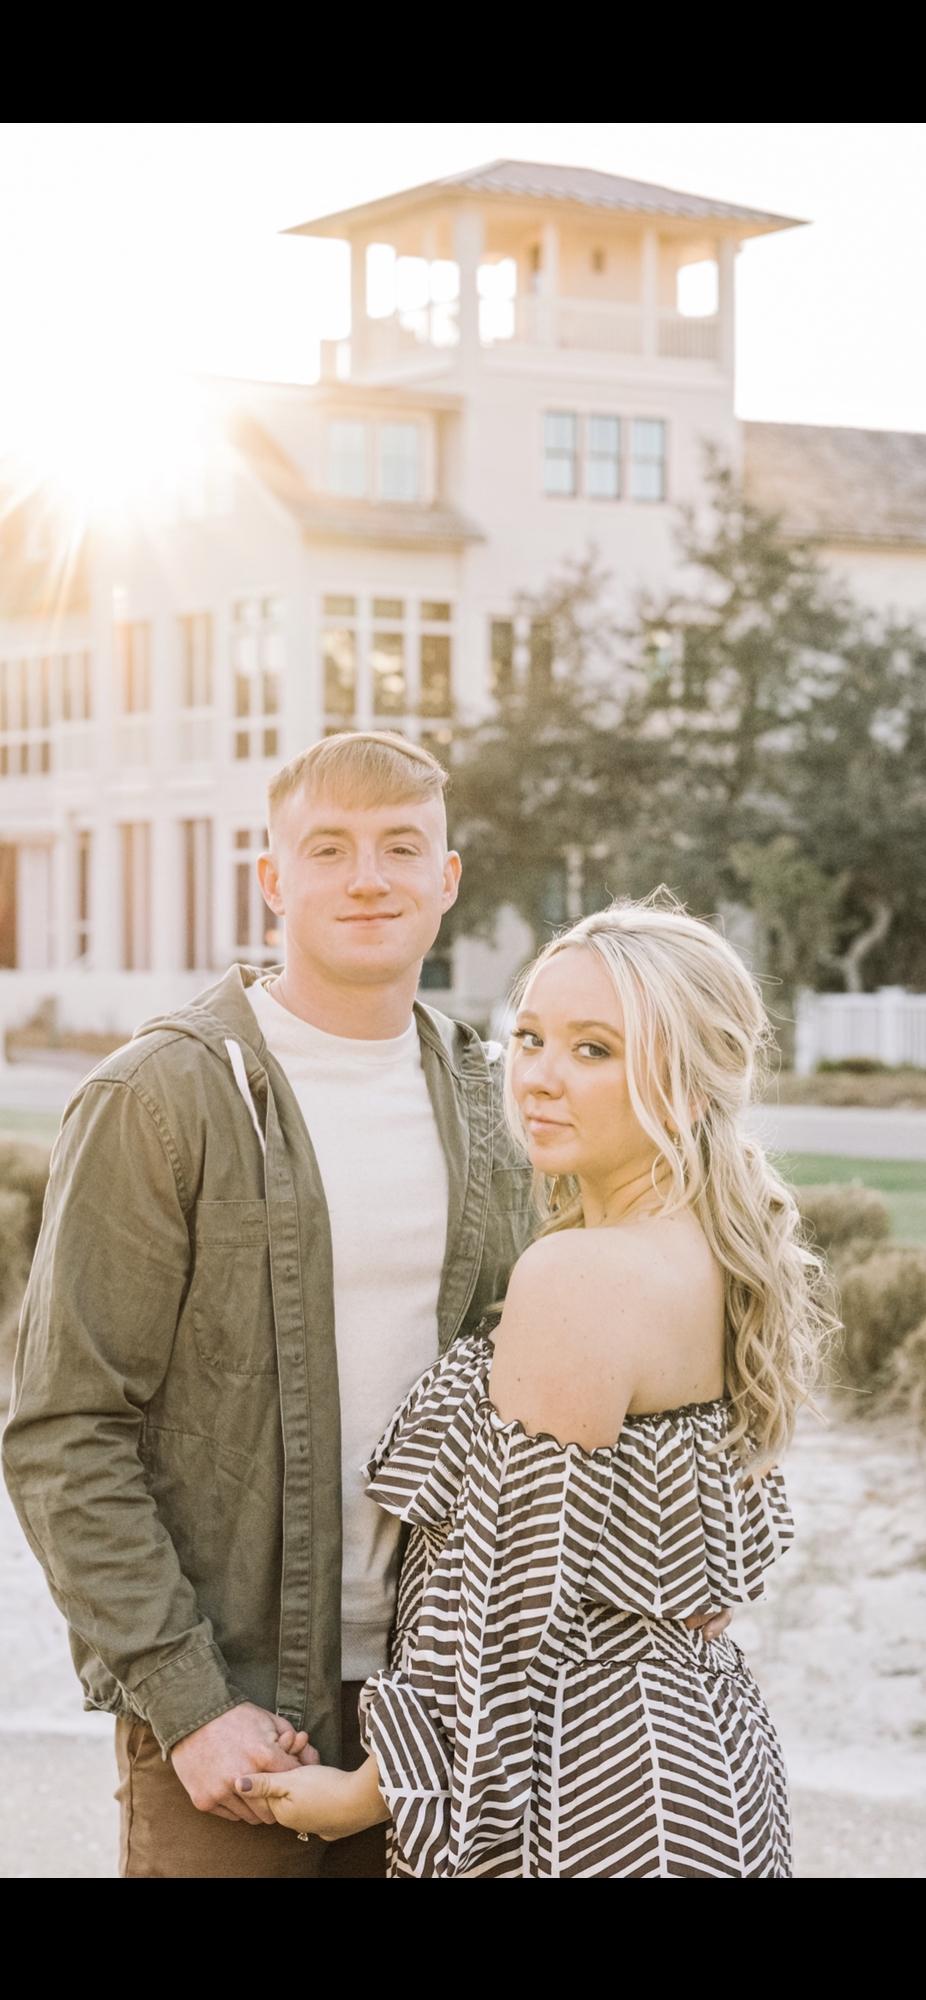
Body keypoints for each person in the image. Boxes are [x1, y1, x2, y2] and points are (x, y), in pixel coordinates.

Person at [2, 732, 543, 1878]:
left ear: (447, 878)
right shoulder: (160, 1095)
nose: (367, 877)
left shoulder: (494, 1102)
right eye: (329, 847)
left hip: (442, 1707)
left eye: (401, 846)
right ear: (271, 879)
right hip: (235, 1706)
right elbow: (64, 1430)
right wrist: (187, 1701)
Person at [236, 893, 835, 1878]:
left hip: (586, 1788)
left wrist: (367, 1794)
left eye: (593, 1049)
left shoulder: (581, 1275)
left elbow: (503, 1608)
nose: (540, 1077)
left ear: (688, 1085)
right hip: (705, 1763)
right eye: (529, 1037)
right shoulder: (720, 1254)